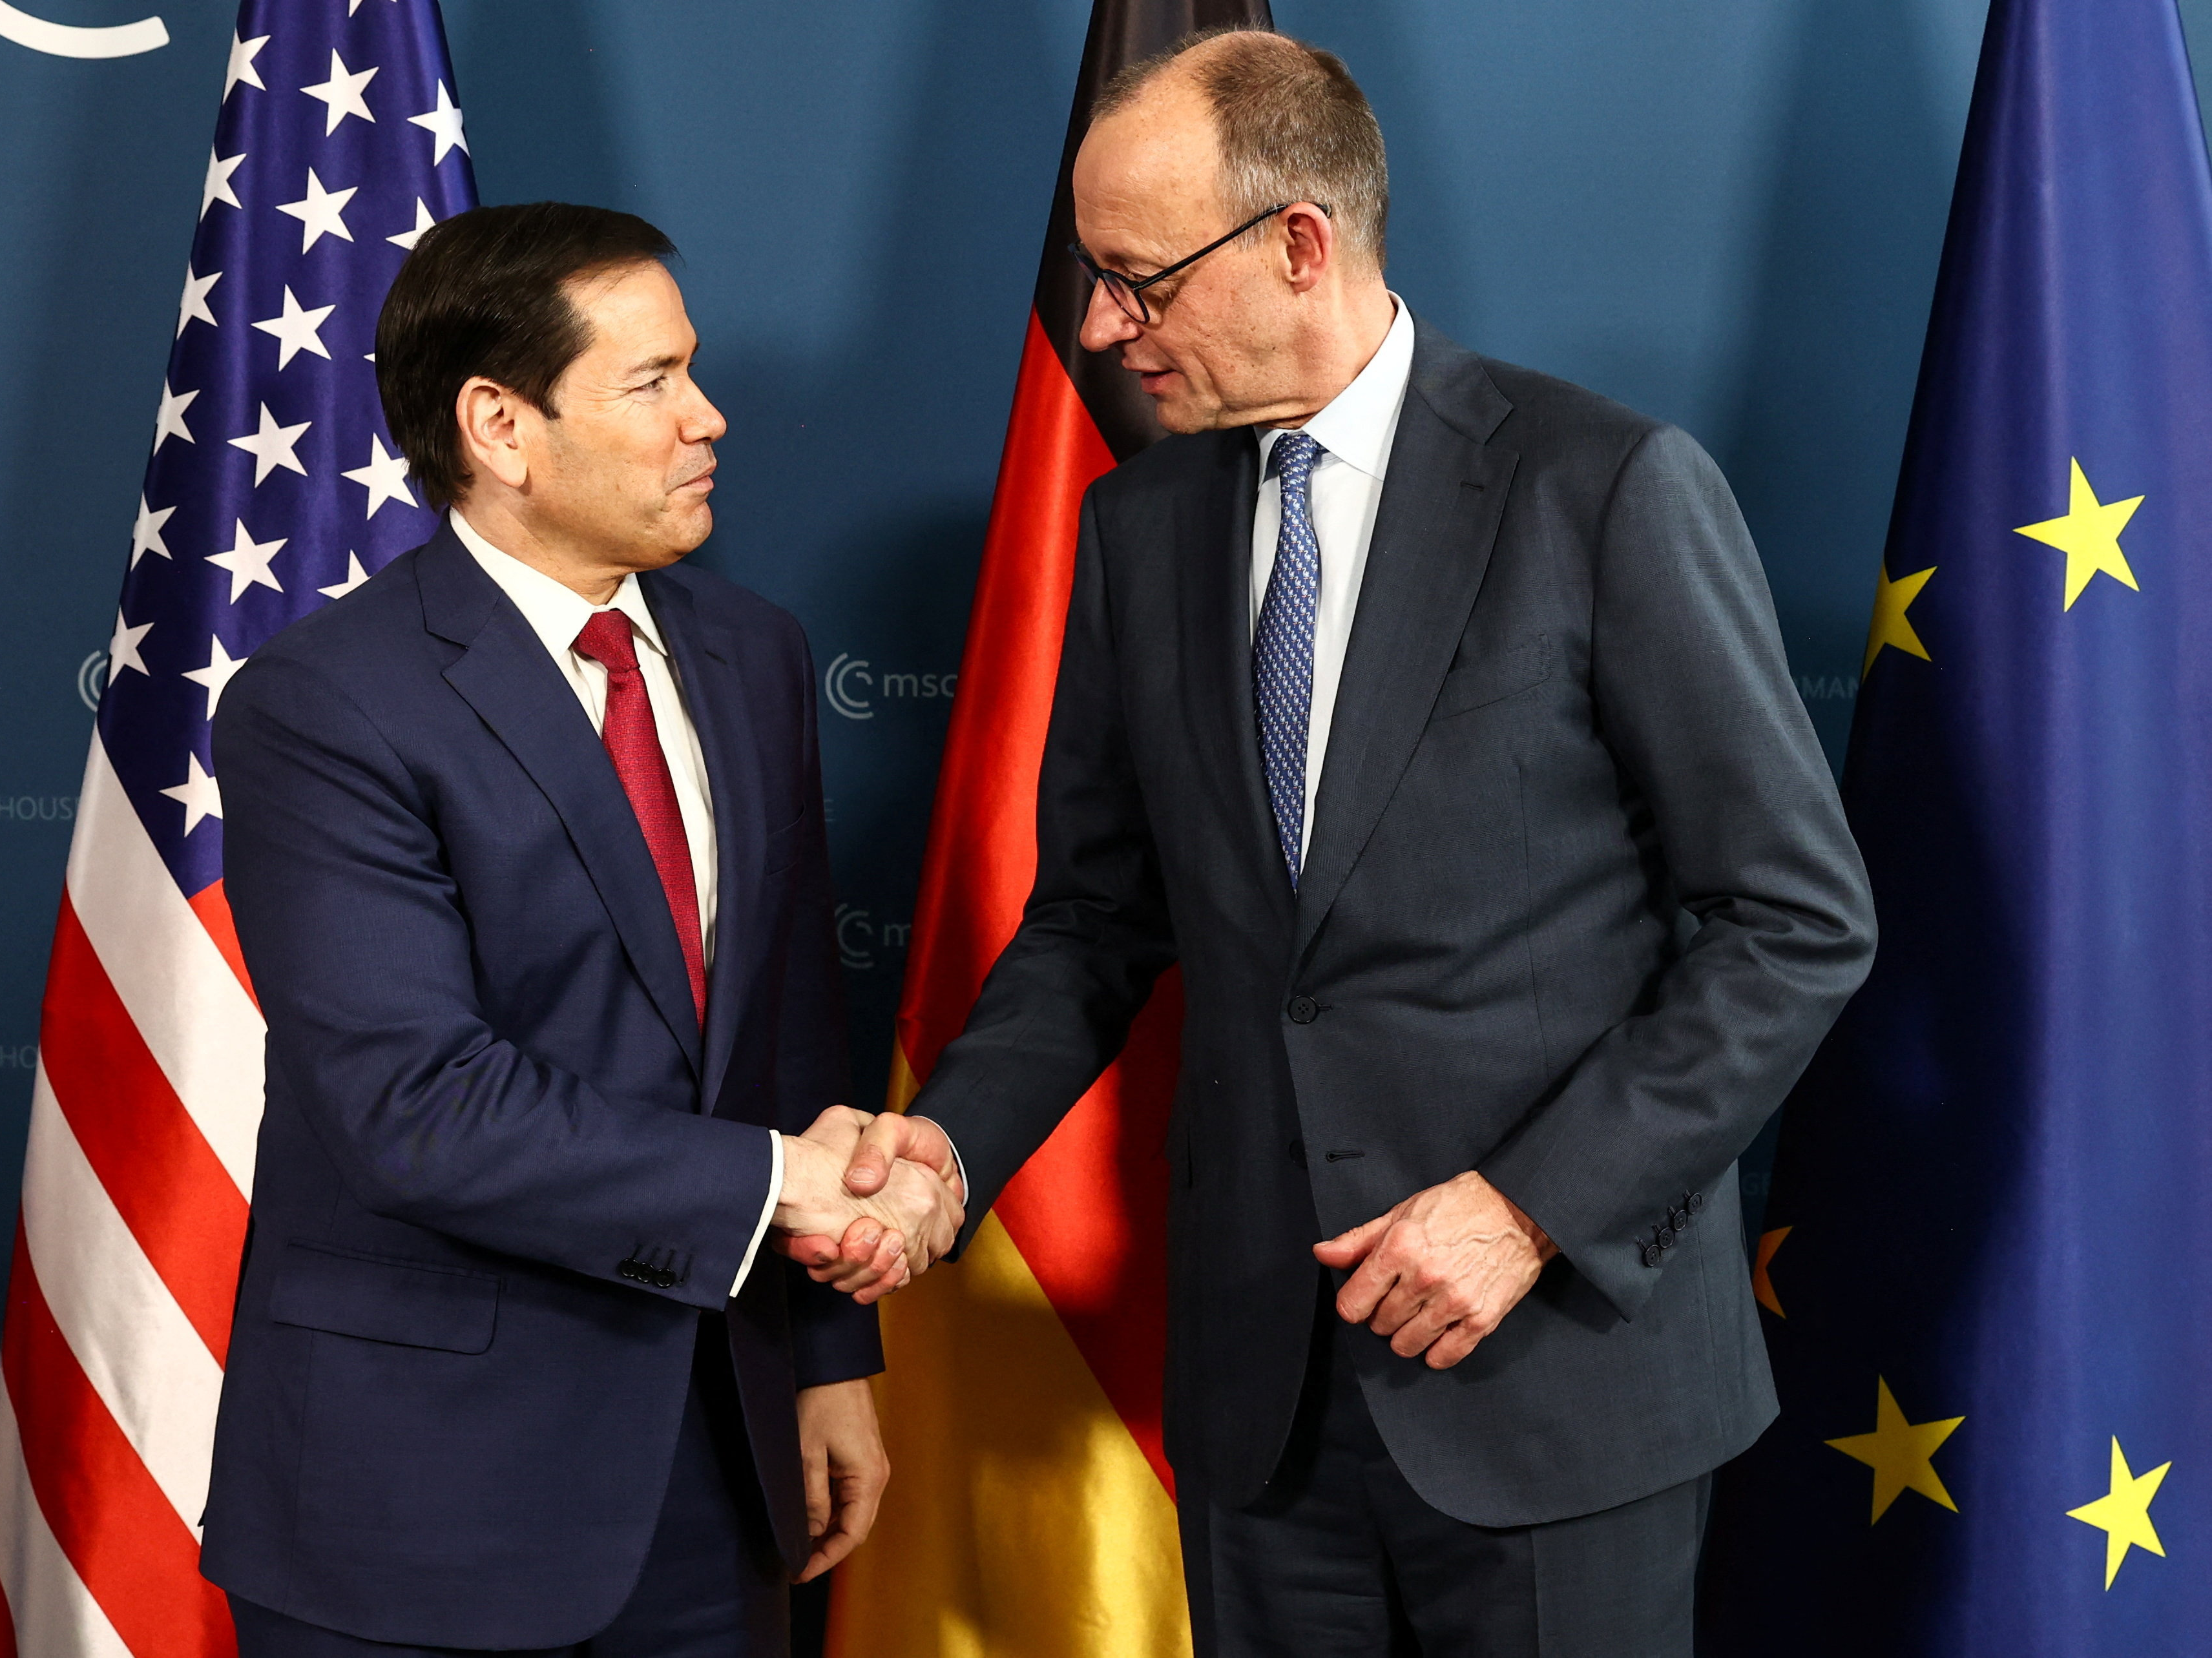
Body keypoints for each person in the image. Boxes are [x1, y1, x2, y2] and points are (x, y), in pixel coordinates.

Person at [834, 28, 1877, 1657]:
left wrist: (1528, 1208)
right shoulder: (1140, 527)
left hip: (1550, 1387)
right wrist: (952, 1146)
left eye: (1136, 280)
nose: (1103, 327)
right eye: (1093, 281)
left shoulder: (1597, 487)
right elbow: (1100, 921)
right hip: (1261, 1407)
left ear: (1298, 245)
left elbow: (1793, 921)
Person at [198, 202, 961, 1658]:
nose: (708, 418)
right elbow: (414, 1104)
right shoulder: (329, 706)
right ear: (500, 425)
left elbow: (785, 1026)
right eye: (652, 383)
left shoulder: (752, 656)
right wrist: (789, 1188)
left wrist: (824, 1361)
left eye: (694, 371)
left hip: (713, 1474)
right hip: (423, 1498)